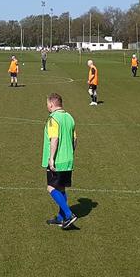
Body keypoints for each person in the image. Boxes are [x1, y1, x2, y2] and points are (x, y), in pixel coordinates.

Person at [43, 93, 78, 229]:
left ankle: (69, 214)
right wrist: (70, 152)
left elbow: (54, 138)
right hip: (68, 159)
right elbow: (75, 139)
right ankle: (60, 217)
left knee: (51, 187)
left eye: (47, 104)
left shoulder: (53, 119)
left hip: (58, 160)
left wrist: (51, 158)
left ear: (51, 104)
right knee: (61, 188)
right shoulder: (70, 117)